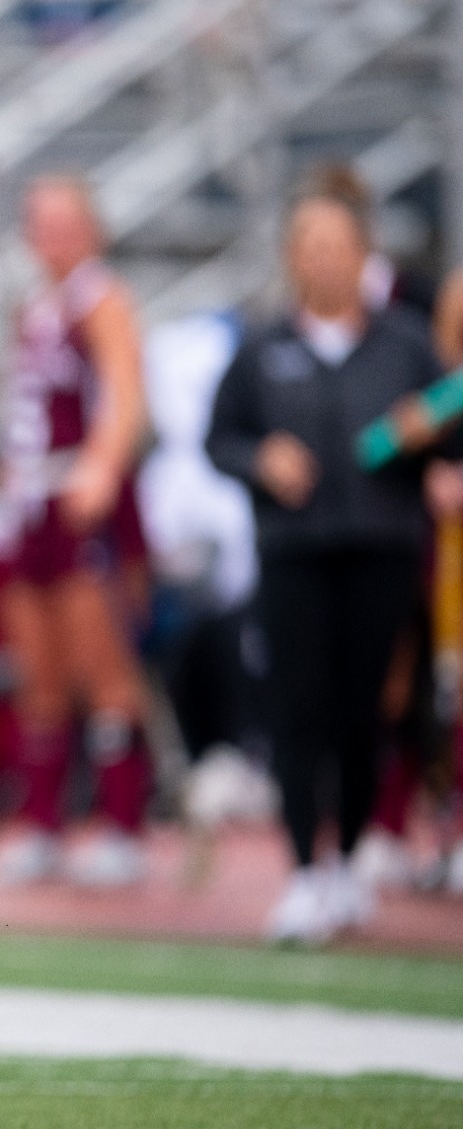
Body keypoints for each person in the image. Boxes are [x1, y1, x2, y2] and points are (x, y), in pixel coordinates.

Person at [206, 176, 451, 945]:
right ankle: (303, 871)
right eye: (310, 245)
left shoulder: (407, 344)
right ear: (290, 257)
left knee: (362, 712)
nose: (324, 260)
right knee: (296, 710)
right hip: (293, 551)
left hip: (381, 547)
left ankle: (346, 857)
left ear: (364, 254)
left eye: (338, 245)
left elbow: (448, 428)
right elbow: (220, 440)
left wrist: (426, 436)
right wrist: (261, 459)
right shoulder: (262, 348)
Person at [0, 175, 154, 889]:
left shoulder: (103, 298)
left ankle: (122, 824)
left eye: (66, 222)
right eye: (40, 222)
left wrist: (101, 467)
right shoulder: (33, 306)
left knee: (103, 665)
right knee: (39, 670)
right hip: (33, 502)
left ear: (92, 228)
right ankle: (44, 822)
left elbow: (125, 397)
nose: (52, 236)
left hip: (84, 497)